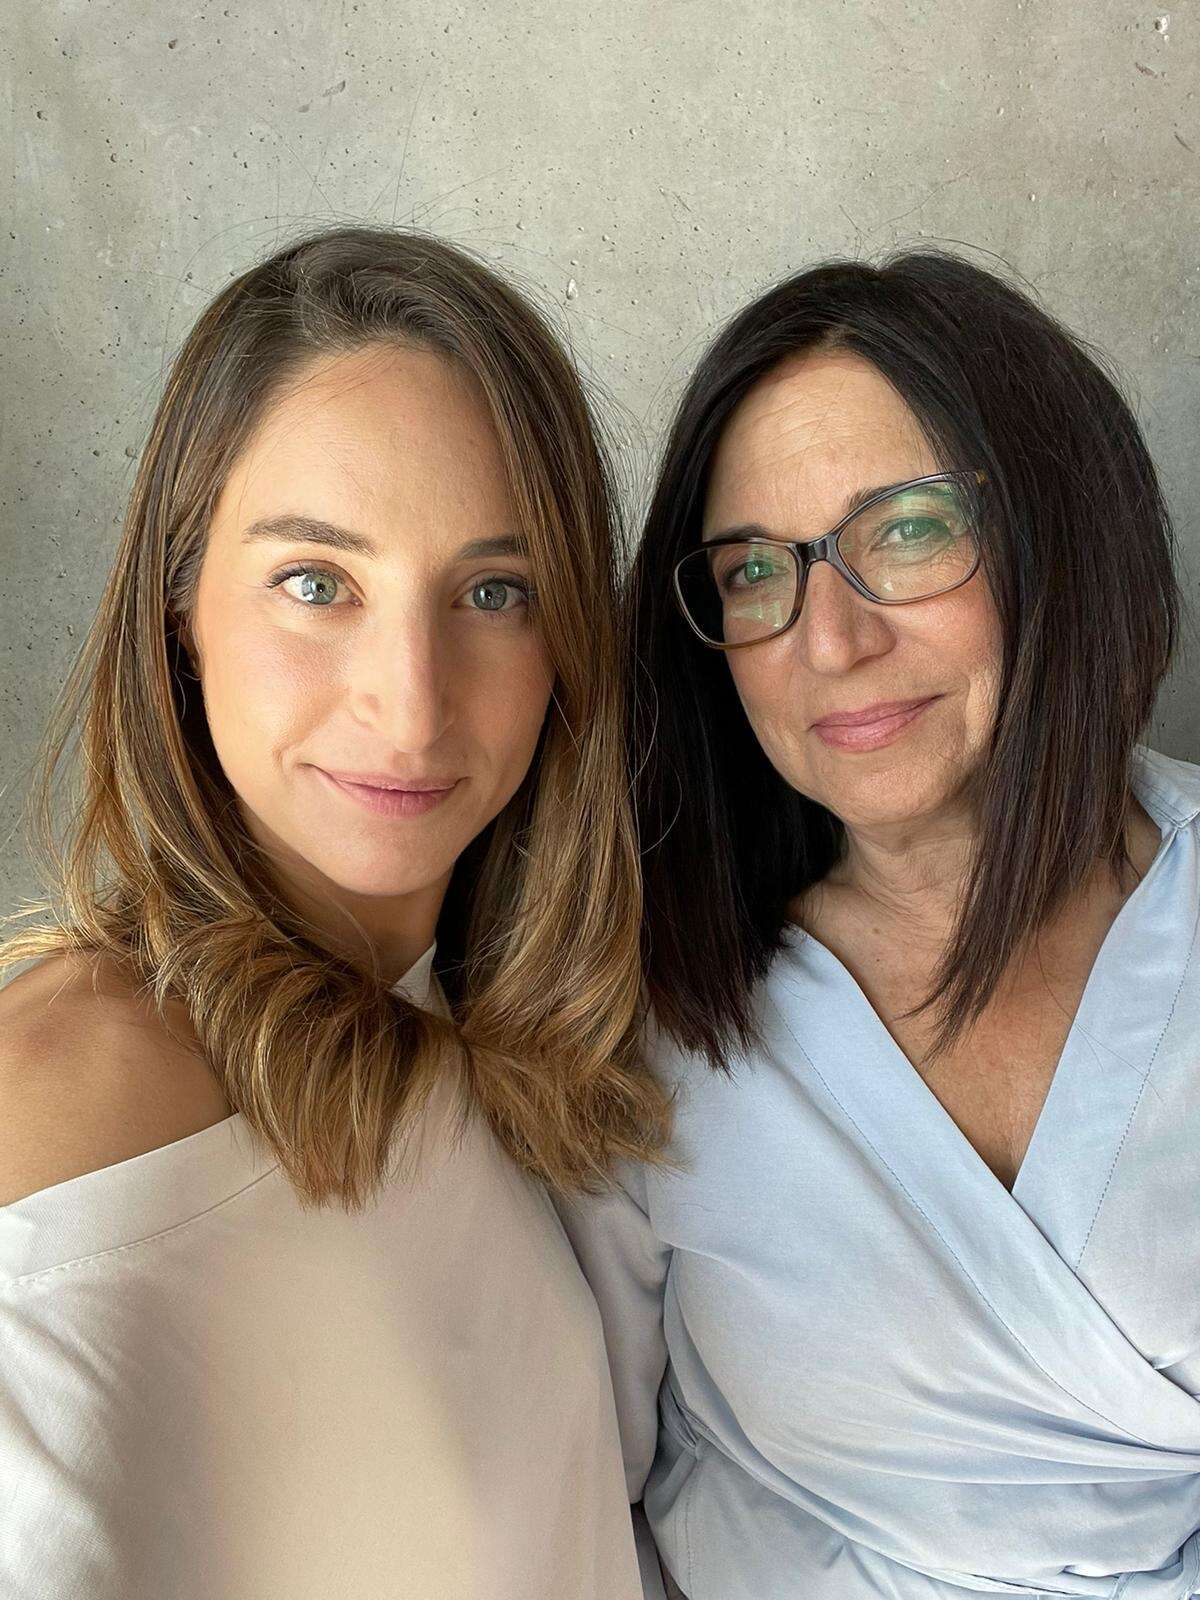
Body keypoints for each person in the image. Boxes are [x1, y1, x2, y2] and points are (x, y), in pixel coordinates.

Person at [0, 225, 670, 1600]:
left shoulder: (500, 1063)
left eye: (495, 592)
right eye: (317, 583)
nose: (411, 702)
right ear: (180, 609)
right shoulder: (81, 1083)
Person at [558, 251, 1200, 1599]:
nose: (829, 641)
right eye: (754, 568)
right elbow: (573, 1504)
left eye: (905, 530)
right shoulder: (648, 1009)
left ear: (1063, 531)